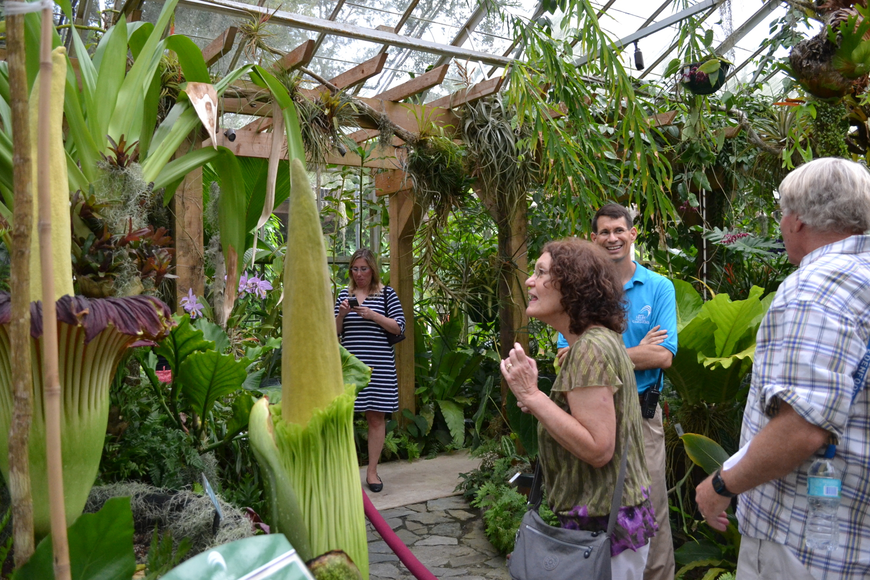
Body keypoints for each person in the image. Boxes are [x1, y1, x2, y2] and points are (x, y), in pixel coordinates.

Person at [696, 157, 870, 579]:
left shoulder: (812, 290)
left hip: (803, 542)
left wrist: (721, 484)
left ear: (796, 221)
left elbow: (802, 428)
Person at [502, 239, 656, 579]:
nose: (530, 281)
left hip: (602, 532)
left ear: (572, 287)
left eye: (541, 273)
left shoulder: (589, 350)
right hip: (603, 526)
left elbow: (598, 448)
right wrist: (545, 407)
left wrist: (532, 395)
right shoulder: (597, 341)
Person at [555, 203, 677, 580]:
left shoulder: (658, 287)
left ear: (632, 234)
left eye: (618, 230)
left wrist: (596, 354)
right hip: (591, 418)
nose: (612, 238)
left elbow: (663, 356)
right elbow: (563, 357)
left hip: (642, 414)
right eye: (604, 232)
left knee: (650, 507)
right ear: (594, 238)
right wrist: (634, 353)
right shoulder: (581, 292)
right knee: (593, 506)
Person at [334, 248, 405, 493]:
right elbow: (335, 332)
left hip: (380, 367)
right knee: (344, 419)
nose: (359, 273)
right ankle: (343, 472)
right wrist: (342, 313)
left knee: (376, 418)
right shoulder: (344, 294)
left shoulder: (387, 294)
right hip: (350, 369)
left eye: (364, 268)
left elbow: (398, 327)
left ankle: (372, 472)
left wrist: (372, 315)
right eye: (355, 268)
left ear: (373, 269)